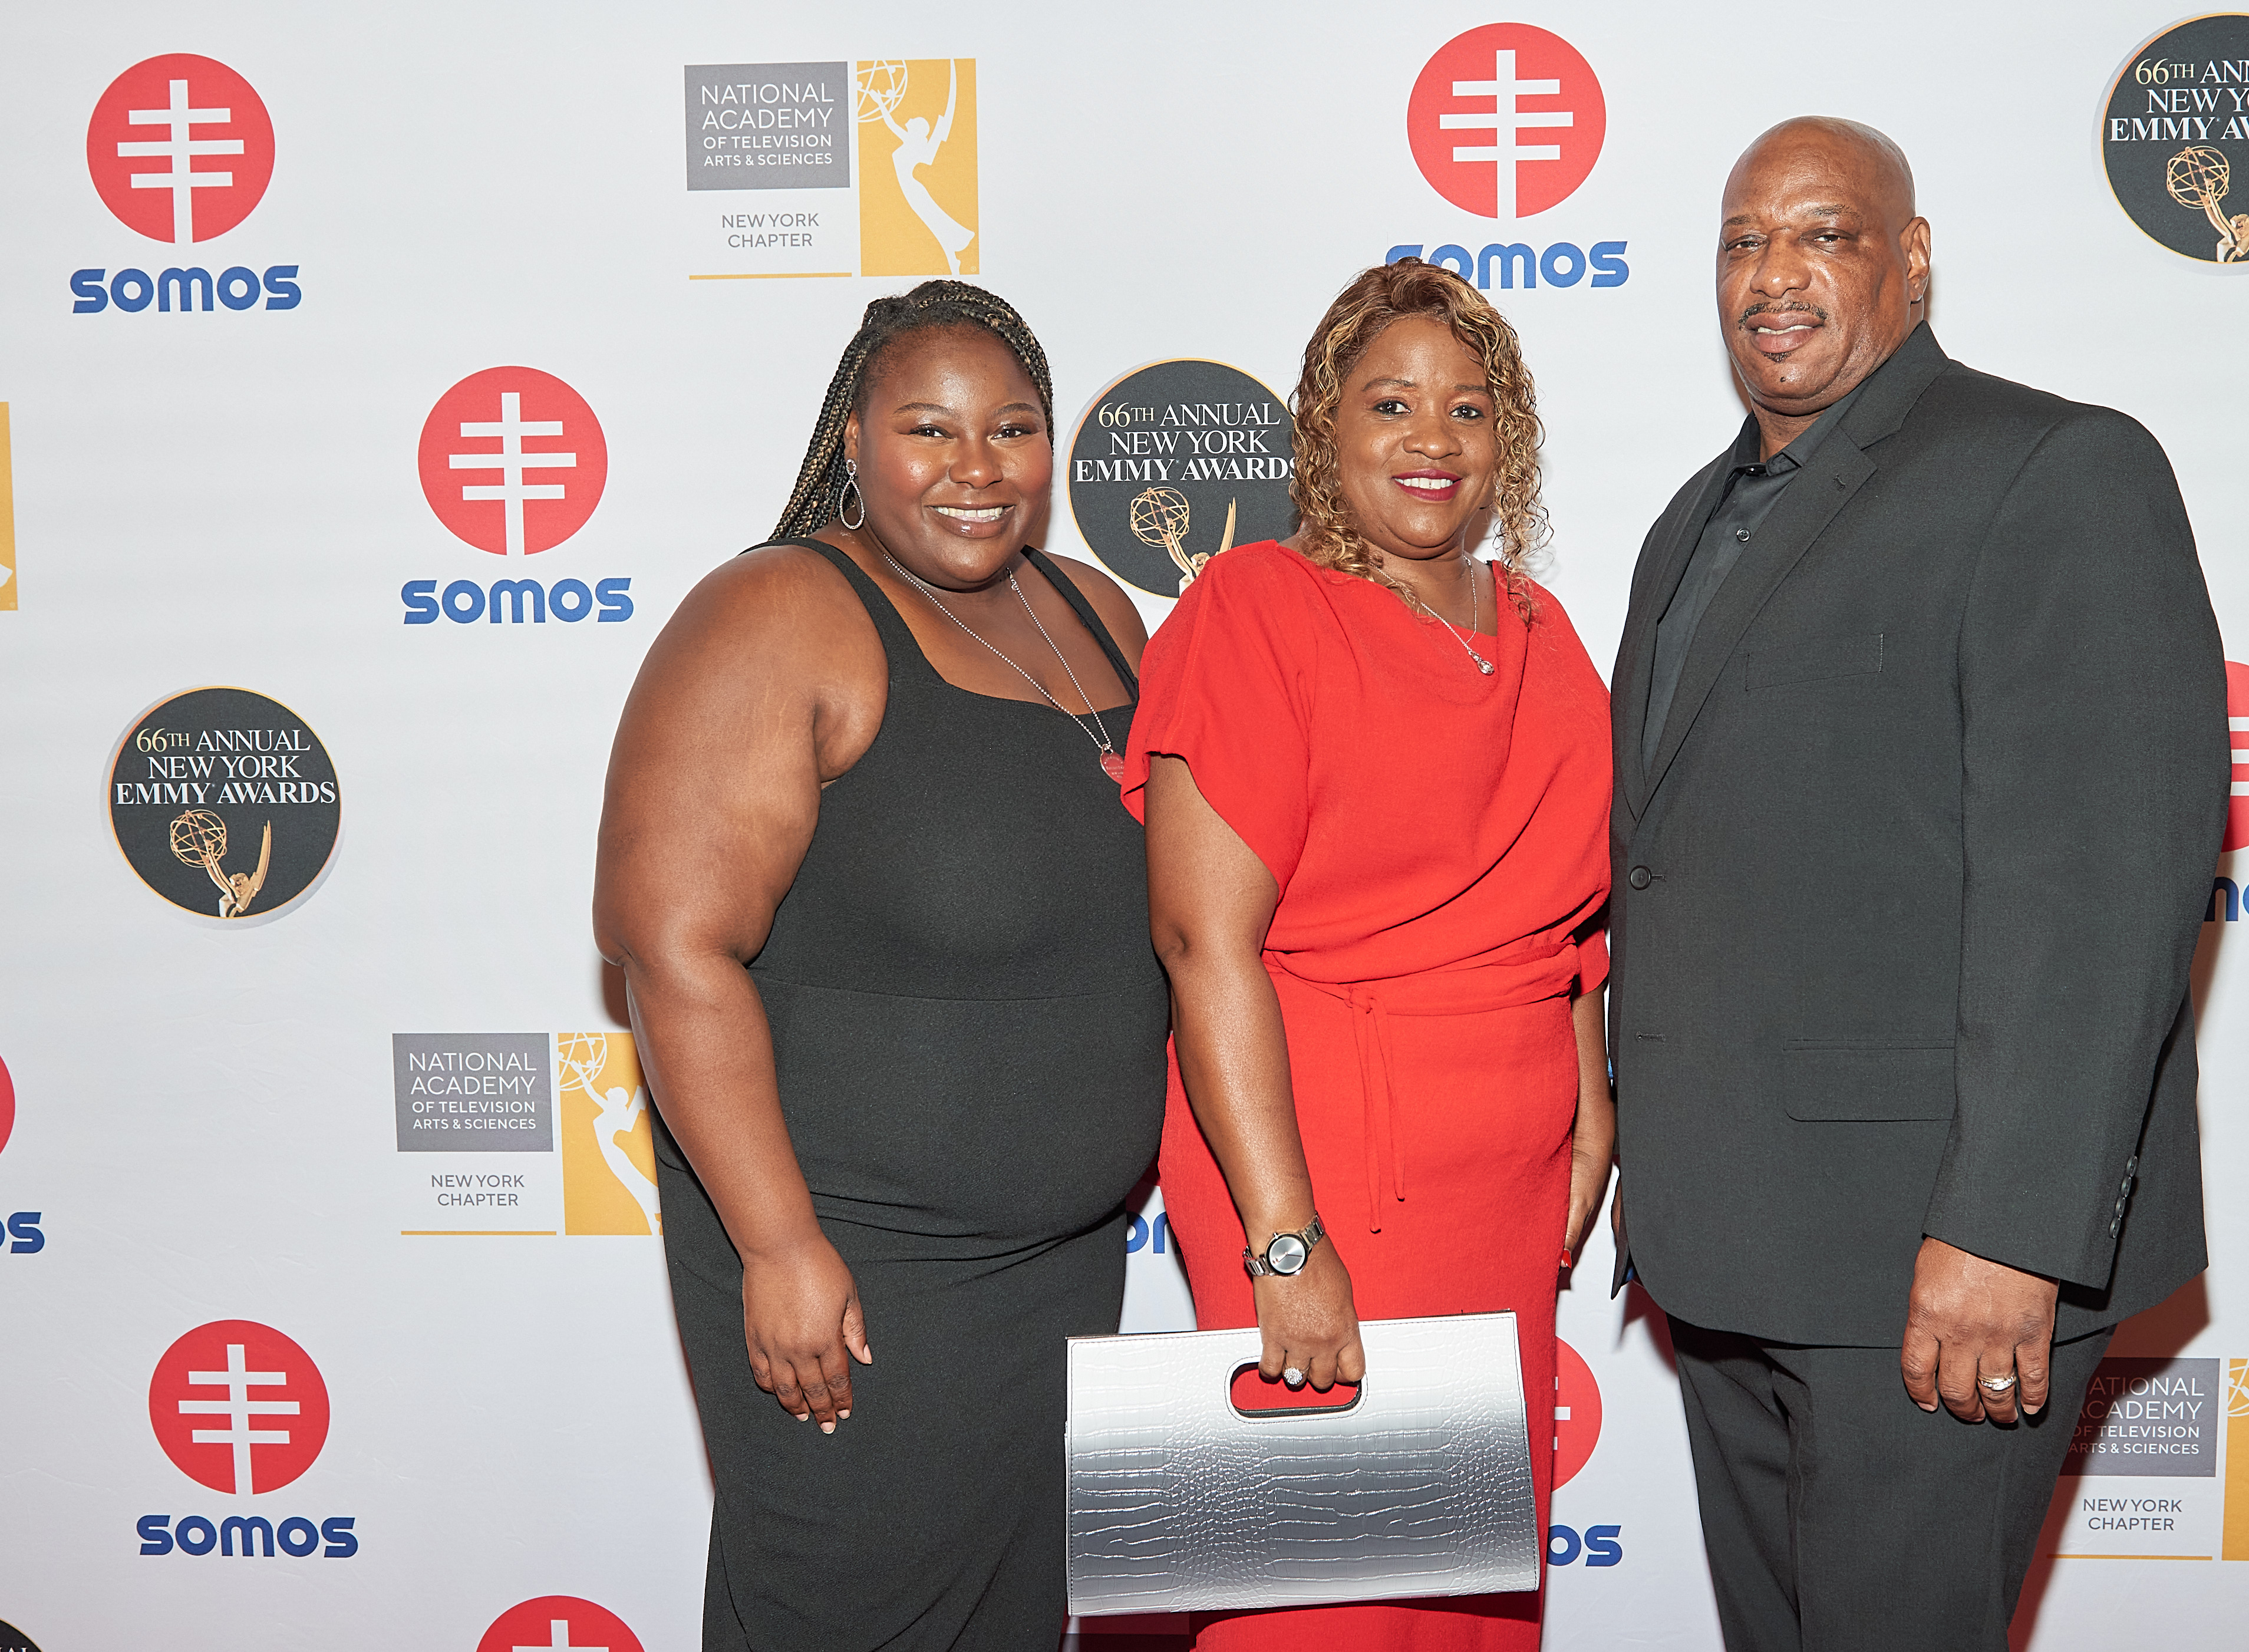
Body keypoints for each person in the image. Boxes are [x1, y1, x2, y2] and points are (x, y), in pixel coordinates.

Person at [1606, 118, 2228, 1650]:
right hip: (1731, 1251)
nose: (1775, 274)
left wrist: (2013, 1233)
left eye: (1823, 233)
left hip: (1932, 1265)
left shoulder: (2051, 468)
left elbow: (2098, 890)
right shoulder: (1689, 520)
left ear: (1914, 258)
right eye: (1744, 241)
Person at [593, 281, 1164, 1651]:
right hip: (860, 1275)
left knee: (1017, 1618)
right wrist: (779, 1246)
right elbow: (670, 946)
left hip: (1061, 1269)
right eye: (929, 429)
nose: (979, 467)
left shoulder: (1094, 609)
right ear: (855, 440)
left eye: (1013, 428)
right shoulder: (778, 609)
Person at [1126, 260, 1614, 1651]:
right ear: (1323, 430)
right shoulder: (1256, 605)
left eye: (1468, 406)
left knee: (1463, 1600)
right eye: (1390, 403)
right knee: (1321, 1604)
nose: (1431, 438)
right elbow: (1200, 939)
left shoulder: (1543, 629)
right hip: (1323, 1165)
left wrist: (1590, 1114)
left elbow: (1570, 913)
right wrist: (1287, 1242)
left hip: (1504, 1185)